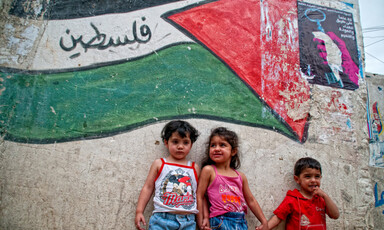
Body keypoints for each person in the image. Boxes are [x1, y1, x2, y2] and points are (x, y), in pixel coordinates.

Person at [197, 127, 269, 230]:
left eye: (222, 145)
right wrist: (202, 221)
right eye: (213, 145)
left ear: (233, 151)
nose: (216, 148)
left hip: (240, 221)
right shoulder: (209, 171)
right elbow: (199, 196)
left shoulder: (240, 176)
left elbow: (251, 200)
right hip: (220, 220)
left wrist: (264, 221)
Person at [135, 120, 200, 230]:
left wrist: (202, 219)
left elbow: (198, 194)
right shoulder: (159, 164)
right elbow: (148, 187)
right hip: (161, 219)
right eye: (175, 142)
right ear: (166, 142)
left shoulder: (194, 167)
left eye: (185, 142)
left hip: (188, 221)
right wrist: (139, 211)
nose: (180, 146)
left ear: (191, 144)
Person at [258, 157, 339, 230]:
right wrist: (265, 227)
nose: (313, 180)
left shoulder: (321, 199)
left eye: (317, 176)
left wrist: (325, 196)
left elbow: (335, 215)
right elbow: (278, 217)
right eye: (308, 176)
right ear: (297, 179)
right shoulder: (292, 199)